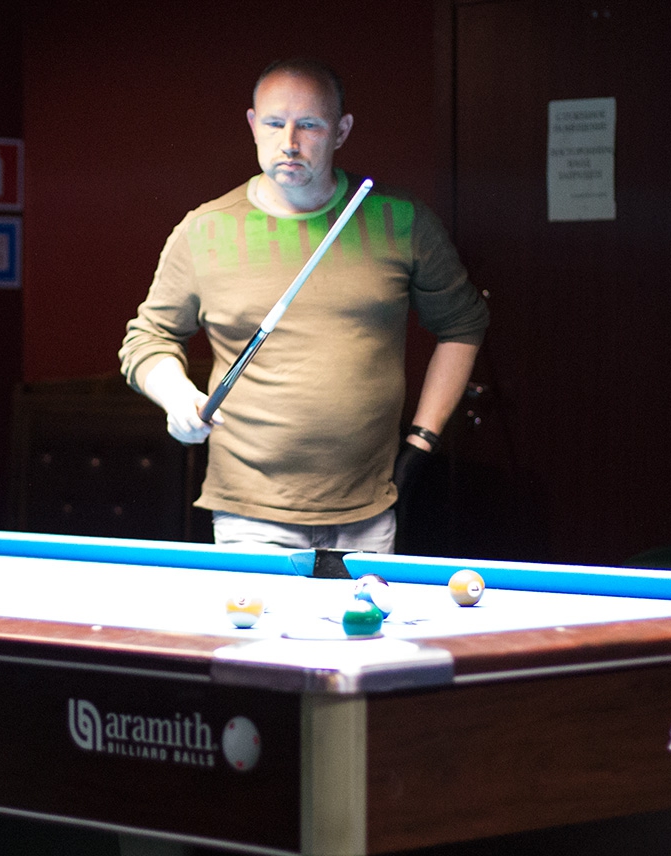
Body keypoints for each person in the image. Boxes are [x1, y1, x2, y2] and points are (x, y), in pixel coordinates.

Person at [119, 59, 488, 553]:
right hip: (249, 512)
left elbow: (464, 323)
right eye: (275, 123)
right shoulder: (204, 230)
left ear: (341, 131)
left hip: (369, 506)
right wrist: (175, 396)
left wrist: (423, 439)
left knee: (362, 609)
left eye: (309, 125)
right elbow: (147, 339)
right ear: (253, 125)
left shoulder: (400, 220)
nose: (289, 142)